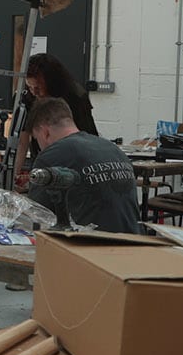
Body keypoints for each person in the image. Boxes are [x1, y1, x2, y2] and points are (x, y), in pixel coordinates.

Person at [24, 96, 144, 236]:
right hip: (135, 242)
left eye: (37, 139)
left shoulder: (53, 154)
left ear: (45, 132)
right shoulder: (111, 147)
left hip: (94, 247)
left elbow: (36, 217)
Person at [21, 53, 99, 161]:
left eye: (38, 87)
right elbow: (22, 140)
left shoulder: (76, 97)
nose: (34, 92)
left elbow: (88, 135)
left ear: (51, 82)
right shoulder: (26, 96)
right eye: (30, 87)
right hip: (41, 157)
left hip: (73, 158)